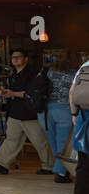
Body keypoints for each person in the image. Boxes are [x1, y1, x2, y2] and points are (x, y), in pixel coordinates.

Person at [0, 47, 54, 175]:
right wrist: (7, 93)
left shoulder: (33, 74)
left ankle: (49, 166)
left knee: (40, 141)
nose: (15, 59)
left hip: (30, 114)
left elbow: (33, 93)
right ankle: (2, 164)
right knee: (11, 139)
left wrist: (12, 93)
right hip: (15, 113)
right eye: (13, 57)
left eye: (18, 57)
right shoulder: (13, 75)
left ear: (26, 59)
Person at [40, 56, 76, 184]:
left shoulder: (49, 72)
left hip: (47, 111)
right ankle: (61, 173)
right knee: (63, 143)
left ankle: (59, 169)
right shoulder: (73, 73)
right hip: (65, 109)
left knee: (53, 143)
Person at [69, 58, 89, 194]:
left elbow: (72, 92)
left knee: (83, 165)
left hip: (84, 119)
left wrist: (74, 114)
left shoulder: (85, 66)